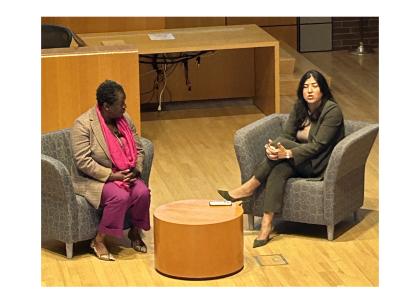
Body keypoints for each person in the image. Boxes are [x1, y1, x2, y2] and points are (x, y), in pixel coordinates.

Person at [218, 70, 345, 248]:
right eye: (305, 87)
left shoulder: (332, 111)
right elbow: (287, 134)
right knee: (278, 168)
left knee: (279, 144)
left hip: (319, 163)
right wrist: (275, 152)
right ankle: (266, 225)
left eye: (314, 86)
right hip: (299, 160)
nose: (309, 91)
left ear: (323, 90)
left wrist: (286, 153)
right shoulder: (299, 107)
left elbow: (318, 147)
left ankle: (248, 187)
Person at [70, 80, 151, 261]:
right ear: (106, 106)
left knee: (142, 192)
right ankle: (98, 240)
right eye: (121, 104)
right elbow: (83, 161)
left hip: (125, 174)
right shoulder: (83, 125)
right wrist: (112, 175)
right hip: (95, 178)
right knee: (119, 196)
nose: (125, 107)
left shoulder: (125, 119)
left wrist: (136, 169)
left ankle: (135, 233)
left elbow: (138, 148)